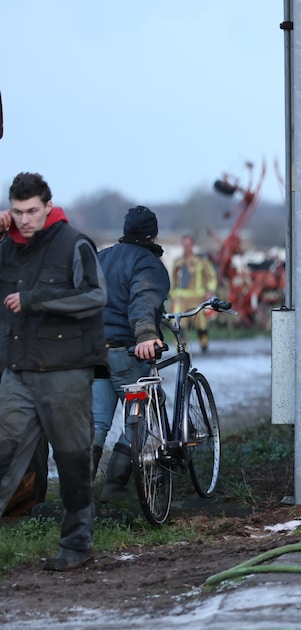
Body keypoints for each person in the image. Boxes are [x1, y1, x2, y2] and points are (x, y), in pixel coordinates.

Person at [0, 172, 108, 570]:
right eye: (17, 211)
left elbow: (96, 295)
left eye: (32, 211)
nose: (25, 219)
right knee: (3, 455)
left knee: (72, 461)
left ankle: (77, 546)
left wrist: (36, 299)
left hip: (66, 372)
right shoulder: (7, 248)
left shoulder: (74, 243)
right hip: (17, 371)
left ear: (48, 206)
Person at [91, 206, 170, 502]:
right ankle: (115, 485)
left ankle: (79, 491)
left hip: (95, 352)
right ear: (153, 235)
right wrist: (147, 335)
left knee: (98, 421)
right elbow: (143, 300)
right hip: (126, 352)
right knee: (143, 414)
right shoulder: (147, 263)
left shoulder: (102, 258)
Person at [169, 234, 217, 352]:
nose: (187, 247)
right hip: (181, 298)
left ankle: (204, 346)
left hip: (198, 298)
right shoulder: (178, 262)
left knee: (201, 325)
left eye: (189, 245)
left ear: (193, 245)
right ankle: (181, 350)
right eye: (185, 245)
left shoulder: (201, 261)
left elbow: (211, 277)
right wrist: (172, 296)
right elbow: (173, 280)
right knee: (178, 324)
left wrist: (209, 291)